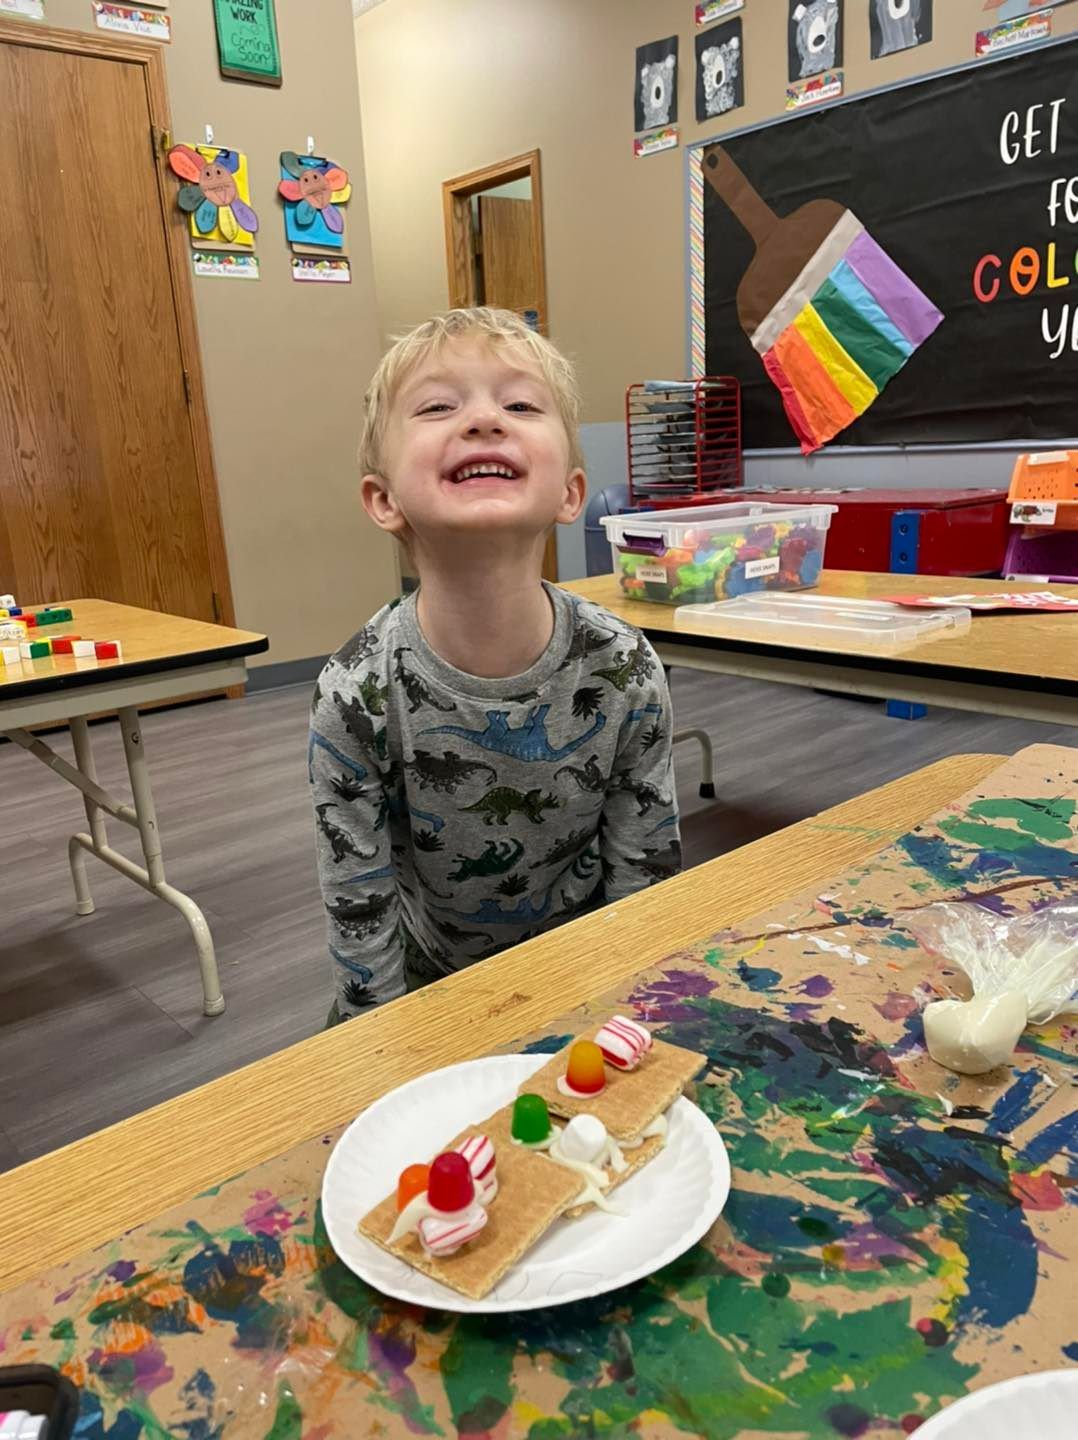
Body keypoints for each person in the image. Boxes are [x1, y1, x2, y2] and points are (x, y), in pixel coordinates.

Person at [309, 307, 681, 1022]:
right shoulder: (354, 691)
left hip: (590, 975)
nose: (484, 420)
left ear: (571, 493)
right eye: (437, 407)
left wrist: (633, 1015)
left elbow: (646, 879)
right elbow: (359, 906)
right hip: (428, 989)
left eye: (519, 405)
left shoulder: (625, 668)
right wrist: (379, 1049)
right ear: (383, 499)